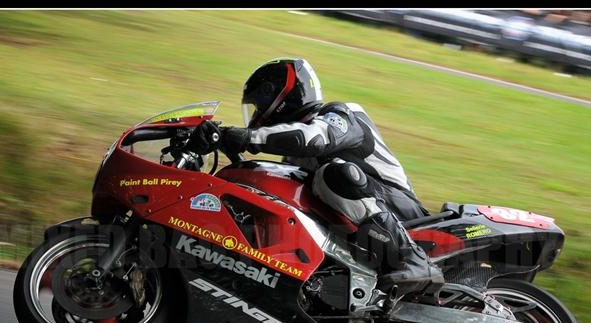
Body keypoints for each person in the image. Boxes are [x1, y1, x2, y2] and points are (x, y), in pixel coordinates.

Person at [188, 57, 444, 297]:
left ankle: (412, 260)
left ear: (280, 97)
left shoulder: (342, 115)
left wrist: (245, 137)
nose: (255, 116)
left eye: (258, 106)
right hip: (359, 226)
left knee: (334, 174)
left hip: (403, 214)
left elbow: (313, 139)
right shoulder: (294, 157)